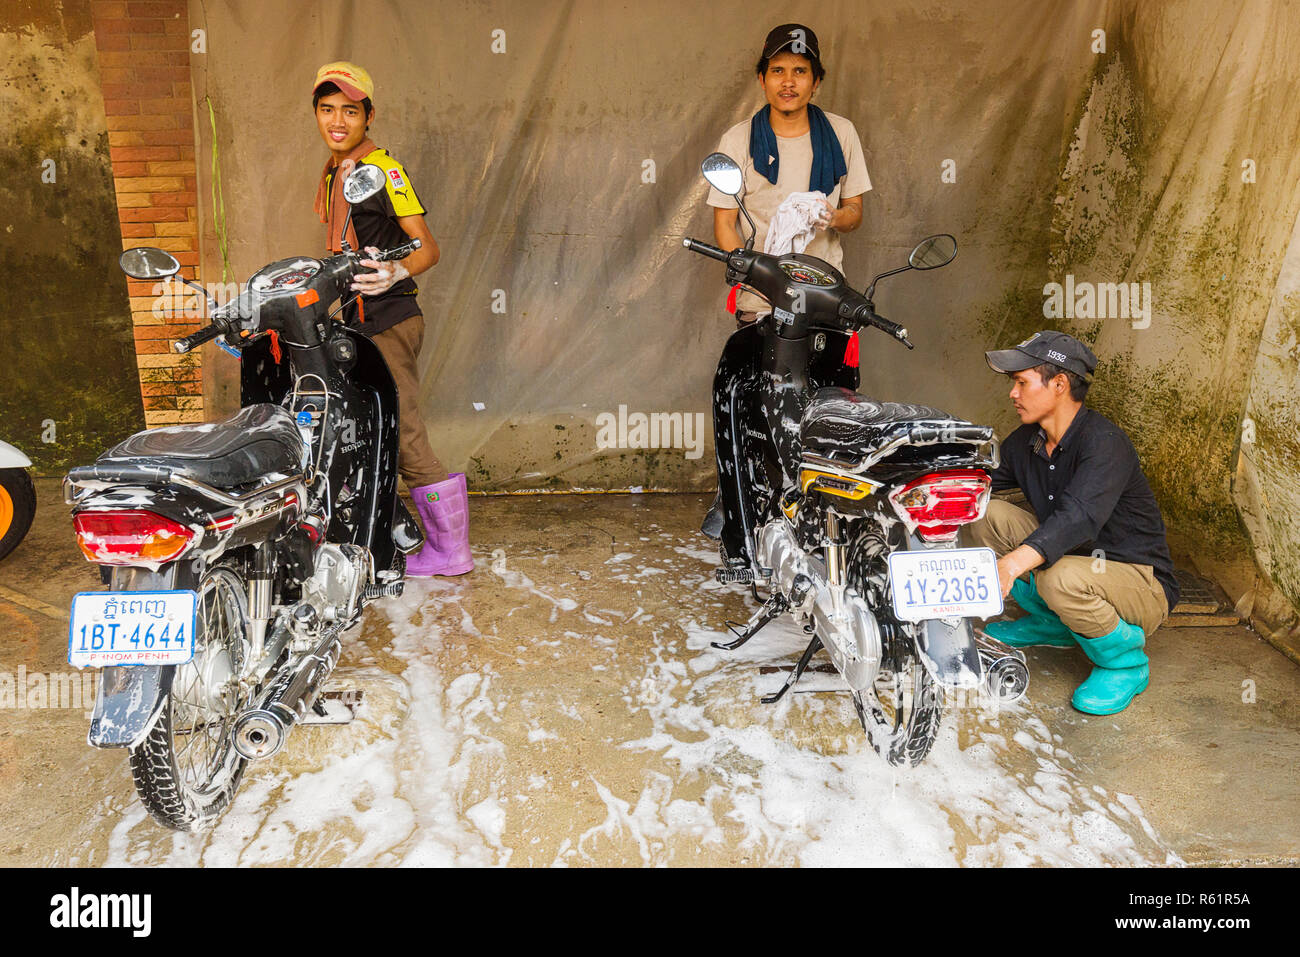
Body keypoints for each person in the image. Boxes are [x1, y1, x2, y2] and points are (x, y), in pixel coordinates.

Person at [311, 61, 472, 576]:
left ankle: (450, 551)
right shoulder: (338, 171)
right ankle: (375, 536)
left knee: (404, 435)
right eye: (327, 109)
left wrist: (396, 270)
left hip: (390, 321)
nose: (338, 120)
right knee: (363, 428)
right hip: (360, 323)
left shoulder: (384, 169)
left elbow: (428, 247)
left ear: (369, 115)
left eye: (350, 111)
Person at [966, 330, 1180, 715]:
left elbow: (1077, 518)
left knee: (1057, 577)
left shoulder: (1104, 443)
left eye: (1021, 382)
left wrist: (1012, 564)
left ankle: (1125, 663)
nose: (1012, 394)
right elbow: (978, 481)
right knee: (986, 511)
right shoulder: (1028, 441)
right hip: (1072, 563)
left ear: (1060, 384)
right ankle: (1054, 623)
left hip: (1139, 581)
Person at [705, 23, 872, 325]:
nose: (788, 82)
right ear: (762, 79)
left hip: (826, 296)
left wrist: (834, 218)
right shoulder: (738, 139)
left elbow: (855, 212)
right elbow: (725, 224)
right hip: (761, 299)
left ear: (816, 81)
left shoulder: (842, 133)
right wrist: (759, 275)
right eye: (778, 71)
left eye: (800, 71)